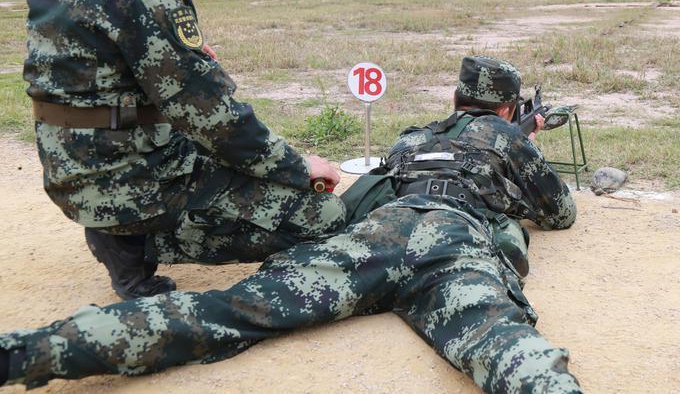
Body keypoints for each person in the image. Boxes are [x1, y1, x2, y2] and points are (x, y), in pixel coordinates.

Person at [0, 57, 582, 393]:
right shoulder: (508, 137)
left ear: (456, 97)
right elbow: (560, 213)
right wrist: (522, 141)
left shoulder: (412, 138)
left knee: (228, 312)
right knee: (502, 344)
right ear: (507, 110)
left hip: (372, 237)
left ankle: (28, 352)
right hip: (452, 244)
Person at [22, 0, 346, 301]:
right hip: (130, 179)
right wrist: (299, 166)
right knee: (323, 214)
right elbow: (215, 118)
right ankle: (139, 239)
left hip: (75, 171)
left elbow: (87, 79)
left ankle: (120, 237)